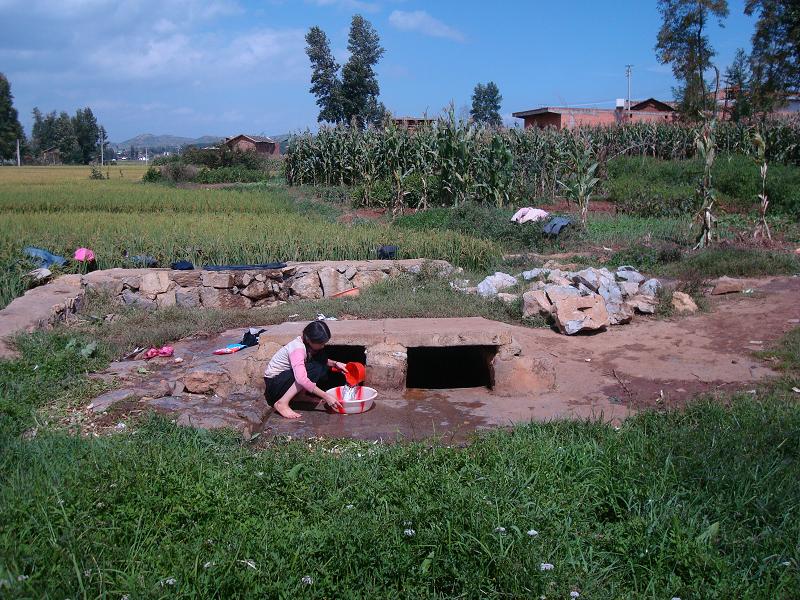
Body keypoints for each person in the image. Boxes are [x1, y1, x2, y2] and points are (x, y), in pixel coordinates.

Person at [263, 321, 345, 419]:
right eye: (321, 343)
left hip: (283, 381)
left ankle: (299, 396)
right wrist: (326, 396)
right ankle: (282, 403)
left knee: (319, 366)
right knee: (313, 369)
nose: (323, 346)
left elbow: (322, 360)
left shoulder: (306, 344)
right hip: (274, 386)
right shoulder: (297, 349)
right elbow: (301, 379)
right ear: (309, 340)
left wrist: (336, 364)